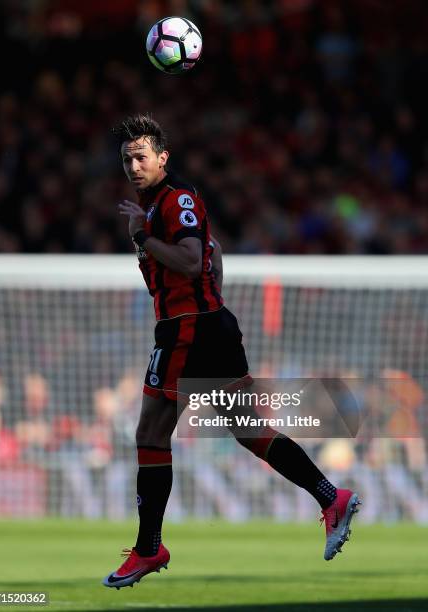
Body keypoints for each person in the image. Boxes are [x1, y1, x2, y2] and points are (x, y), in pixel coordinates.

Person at [102, 114, 361, 590]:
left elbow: (190, 253)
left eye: (141, 157)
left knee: (151, 431)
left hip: (187, 332)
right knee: (248, 430)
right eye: (126, 159)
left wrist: (143, 238)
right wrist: (210, 298)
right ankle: (331, 496)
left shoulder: (172, 200)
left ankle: (148, 548)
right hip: (210, 328)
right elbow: (213, 253)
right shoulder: (159, 203)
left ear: (163, 158)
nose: (133, 166)